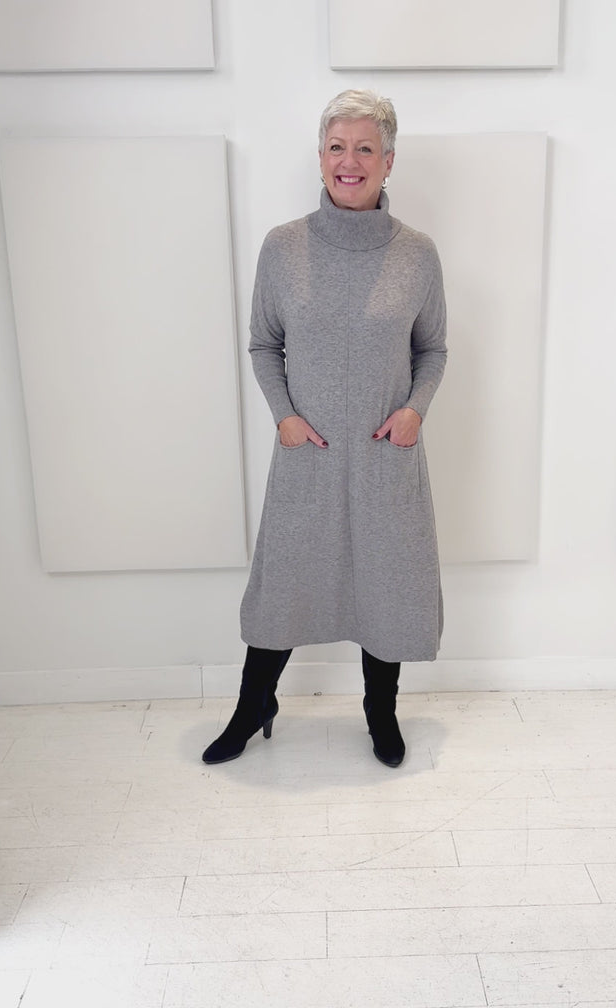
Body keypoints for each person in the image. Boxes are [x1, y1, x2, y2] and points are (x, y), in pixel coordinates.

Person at [202, 89, 447, 769]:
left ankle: (380, 711)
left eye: (366, 148)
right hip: (307, 456)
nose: (350, 161)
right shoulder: (283, 248)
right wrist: (284, 417)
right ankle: (254, 705)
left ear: (388, 161)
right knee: (284, 587)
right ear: (320, 157)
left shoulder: (417, 254)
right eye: (337, 147)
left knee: (386, 588)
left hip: (384, 457)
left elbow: (432, 350)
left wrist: (414, 411)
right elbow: (264, 344)